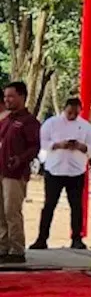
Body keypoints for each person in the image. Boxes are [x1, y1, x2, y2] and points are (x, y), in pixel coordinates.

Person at [36, 96, 91, 250]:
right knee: (49, 205)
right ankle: (42, 239)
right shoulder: (51, 123)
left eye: (75, 113)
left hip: (76, 171)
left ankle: (77, 238)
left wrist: (81, 146)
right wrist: (57, 145)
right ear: (65, 109)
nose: (72, 116)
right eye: (70, 112)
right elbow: (42, 142)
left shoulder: (86, 126)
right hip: (55, 170)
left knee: (76, 206)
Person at [0, 81, 41, 264]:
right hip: (1, 171)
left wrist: (20, 159)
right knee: (0, 211)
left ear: (22, 97)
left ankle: (17, 249)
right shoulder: (6, 120)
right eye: (5, 96)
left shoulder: (29, 121)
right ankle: (3, 246)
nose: (7, 100)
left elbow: (35, 146)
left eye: (11, 96)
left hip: (15, 175)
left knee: (11, 211)